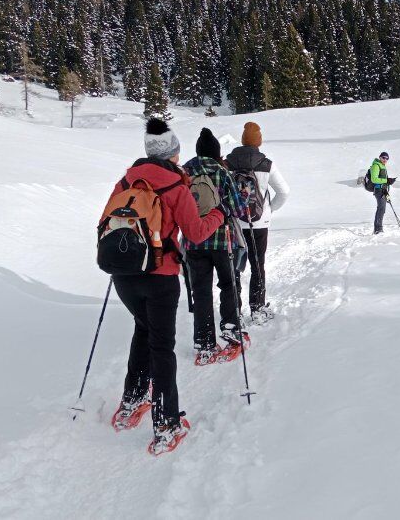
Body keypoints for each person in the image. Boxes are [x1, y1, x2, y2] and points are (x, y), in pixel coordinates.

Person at [105, 118, 226, 455]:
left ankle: (131, 402)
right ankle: (167, 424)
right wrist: (217, 214)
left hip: (125, 276)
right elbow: (197, 232)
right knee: (161, 346)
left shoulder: (126, 182)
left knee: (142, 330)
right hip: (160, 277)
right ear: (173, 154)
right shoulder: (176, 187)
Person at [182, 128, 242, 364]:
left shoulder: (184, 173)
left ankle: (205, 342)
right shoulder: (222, 172)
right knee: (229, 283)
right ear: (216, 152)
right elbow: (237, 209)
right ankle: (230, 328)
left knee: (201, 290)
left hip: (193, 240)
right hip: (221, 238)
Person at [225, 122, 289, 324]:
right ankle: (257, 308)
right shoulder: (266, 163)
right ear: (258, 142)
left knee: (233, 267)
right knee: (257, 265)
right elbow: (284, 192)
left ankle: (234, 311)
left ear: (243, 140)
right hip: (259, 223)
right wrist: (269, 210)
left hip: (234, 223)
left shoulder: (227, 163)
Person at [368, 152, 396, 234]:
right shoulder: (376, 166)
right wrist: (386, 180)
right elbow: (374, 179)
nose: (385, 160)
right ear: (380, 157)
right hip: (378, 190)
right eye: (383, 158)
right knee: (381, 209)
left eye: (387, 158)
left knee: (382, 209)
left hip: (383, 190)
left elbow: (383, 180)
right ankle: (378, 229)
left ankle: (378, 228)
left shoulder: (382, 166)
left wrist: (389, 181)